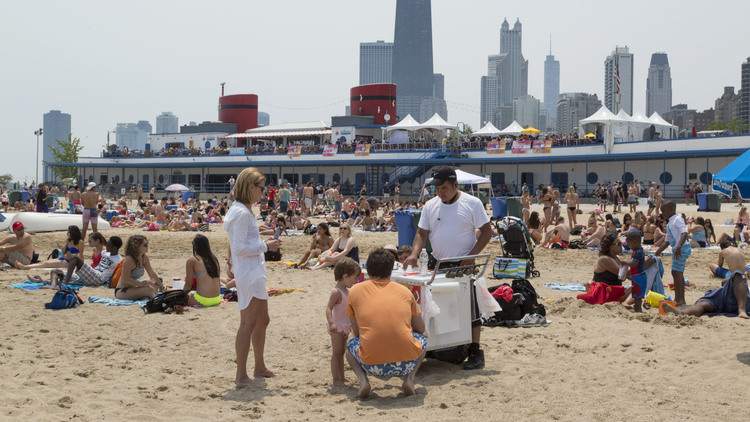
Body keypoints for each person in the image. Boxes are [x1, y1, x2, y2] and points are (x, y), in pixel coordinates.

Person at [404, 166, 492, 370]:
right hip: (437, 263)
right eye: (437, 188)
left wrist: (471, 256)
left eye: (444, 188)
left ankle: (475, 351)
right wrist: (414, 254)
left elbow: (487, 232)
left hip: (464, 264)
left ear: (455, 185)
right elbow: (421, 233)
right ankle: (436, 346)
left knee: (470, 308)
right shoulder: (431, 205)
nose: (440, 192)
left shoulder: (472, 203)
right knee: (436, 307)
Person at [223, 167, 281, 386]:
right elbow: (238, 248)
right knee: (247, 323)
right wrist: (266, 246)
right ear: (250, 187)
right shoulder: (241, 212)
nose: (263, 193)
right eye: (260, 188)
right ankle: (241, 376)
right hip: (248, 272)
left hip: (253, 271)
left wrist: (263, 242)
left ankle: (258, 367)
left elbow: (238, 244)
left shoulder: (241, 211)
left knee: (262, 320)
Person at [346, 248, 426, 398]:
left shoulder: (355, 291)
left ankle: (363, 381)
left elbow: (356, 332)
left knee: (350, 342)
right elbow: (421, 328)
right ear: (390, 272)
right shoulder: (405, 292)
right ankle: (409, 379)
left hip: (372, 365)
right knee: (423, 339)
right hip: (405, 363)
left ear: (368, 271)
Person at [663, 241, 749, 318]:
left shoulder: (723, 252)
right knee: (704, 304)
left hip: (737, 296)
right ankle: (681, 313)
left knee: (737, 274)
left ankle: (741, 310)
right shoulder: (739, 250)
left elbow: (720, 266)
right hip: (727, 295)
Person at [325, 257, 360, 386]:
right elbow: (328, 309)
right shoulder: (337, 292)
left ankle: (342, 376)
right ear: (345, 276)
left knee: (342, 353)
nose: (355, 281)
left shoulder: (347, 291)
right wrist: (331, 323)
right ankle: (336, 379)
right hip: (337, 327)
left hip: (346, 326)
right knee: (337, 353)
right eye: (354, 278)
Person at [655, 201, 691, 306]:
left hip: (681, 249)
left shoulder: (677, 219)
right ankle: (679, 298)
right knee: (677, 273)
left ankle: (680, 299)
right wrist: (657, 253)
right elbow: (667, 241)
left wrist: (679, 246)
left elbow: (684, 233)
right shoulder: (670, 222)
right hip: (677, 249)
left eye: (663, 211)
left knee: (677, 273)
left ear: (671, 209)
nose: (662, 213)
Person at [54, 236, 123, 288]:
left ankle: (65, 285)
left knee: (75, 257)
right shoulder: (105, 253)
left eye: (109, 245)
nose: (106, 246)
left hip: (99, 278)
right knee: (56, 272)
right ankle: (50, 284)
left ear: (114, 248)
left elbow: (117, 275)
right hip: (93, 272)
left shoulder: (118, 260)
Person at [115, 235, 163, 300]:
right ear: (136, 247)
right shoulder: (129, 259)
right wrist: (143, 284)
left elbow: (152, 274)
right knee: (150, 290)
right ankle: (155, 298)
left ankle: (144, 297)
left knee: (156, 284)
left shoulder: (144, 258)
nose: (147, 247)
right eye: (145, 245)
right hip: (123, 290)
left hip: (134, 288)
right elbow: (125, 280)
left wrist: (162, 287)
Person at [17, 225, 85, 270]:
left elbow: (81, 254)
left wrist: (82, 266)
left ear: (73, 233)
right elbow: (64, 251)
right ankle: (27, 266)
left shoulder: (80, 242)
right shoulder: (68, 240)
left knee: (45, 264)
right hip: (62, 258)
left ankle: (25, 267)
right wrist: (60, 246)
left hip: (70, 262)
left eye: (68, 232)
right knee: (44, 262)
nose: (67, 233)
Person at [183, 234, 222, 307]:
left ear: (195, 246)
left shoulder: (192, 260)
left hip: (203, 300)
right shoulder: (214, 259)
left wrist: (182, 296)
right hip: (217, 299)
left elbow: (188, 284)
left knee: (174, 293)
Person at [626, 232, 653, 313]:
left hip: (639, 276)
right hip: (637, 276)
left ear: (634, 242)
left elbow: (634, 264)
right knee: (636, 293)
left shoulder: (638, 252)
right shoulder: (638, 251)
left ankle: (638, 309)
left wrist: (625, 263)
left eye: (629, 245)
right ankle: (637, 308)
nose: (630, 247)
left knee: (637, 294)